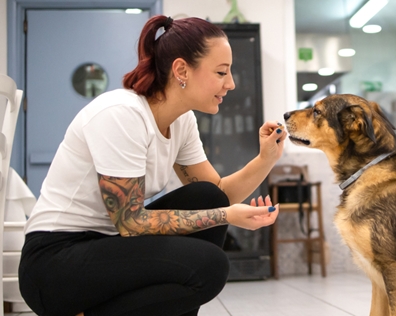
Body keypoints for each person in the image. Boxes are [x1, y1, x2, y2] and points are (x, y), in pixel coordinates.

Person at [18, 15, 287, 316]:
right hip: (54, 263)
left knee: (207, 197)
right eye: (222, 72)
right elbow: (131, 222)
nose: (231, 83)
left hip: (108, 247)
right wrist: (225, 215)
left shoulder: (182, 121)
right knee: (210, 264)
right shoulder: (122, 114)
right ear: (182, 69)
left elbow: (221, 193)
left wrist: (266, 159)